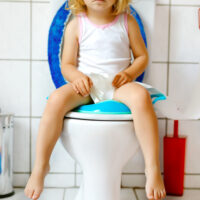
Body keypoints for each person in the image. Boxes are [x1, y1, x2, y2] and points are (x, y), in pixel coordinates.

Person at [24, 0, 166, 199]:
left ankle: (152, 169)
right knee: (55, 100)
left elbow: (141, 56)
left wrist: (129, 73)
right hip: (88, 86)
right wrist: (77, 78)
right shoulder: (76, 25)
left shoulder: (128, 22)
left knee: (141, 97)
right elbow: (66, 64)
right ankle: (40, 167)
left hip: (119, 85)